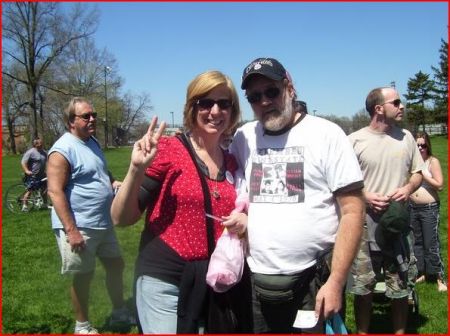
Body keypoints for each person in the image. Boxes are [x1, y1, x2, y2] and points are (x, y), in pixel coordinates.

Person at [230, 57, 365, 333]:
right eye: (254, 97)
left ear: (289, 87)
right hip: (258, 284)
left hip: (313, 283)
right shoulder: (243, 138)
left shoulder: (326, 134)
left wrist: (336, 282)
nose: (264, 101)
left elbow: (353, 210)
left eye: (271, 91)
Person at [110, 70, 251, 334]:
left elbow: (243, 209)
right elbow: (121, 218)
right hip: (164, 278)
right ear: (192, 107)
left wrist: (246, 221)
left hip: (213, 281)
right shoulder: (168, 150)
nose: (215, 110)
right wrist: (135, 169)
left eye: (224, 103)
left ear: (233, 111)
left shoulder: (232, 161)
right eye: (206, 103)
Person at [47, 97, 134, 334]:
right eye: (86, 116)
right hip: (79, 225)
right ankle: (82, 325)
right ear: (71, 122)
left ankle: (118, 313)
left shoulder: (91, 141)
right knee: (84, 276)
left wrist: (112, 182)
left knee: (116, 265)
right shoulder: (62, 150)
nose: (93, 118)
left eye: (93, 114)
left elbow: (99, 171)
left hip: (103, 222)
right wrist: (71, 231)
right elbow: (54, 191)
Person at [348, 87, 424, 334]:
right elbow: (341, 184)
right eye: (396, 102)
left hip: (397, 226)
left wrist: (408, 187)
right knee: (364, 287)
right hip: (362, 226)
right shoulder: (354, 141)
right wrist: (366, 196)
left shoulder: (407, 138)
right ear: (379, 109)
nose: (402, 106)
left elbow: (418, 173)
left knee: (400, 285)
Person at [410, 131, 446, 292]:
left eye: (423, 145)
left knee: (431, 243)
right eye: (417, 145)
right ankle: (423, 272)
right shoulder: (412, 162)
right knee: (417, 243)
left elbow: (440, 185)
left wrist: (424, 176)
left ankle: (440, 278)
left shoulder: (432, 162)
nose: (420, 148)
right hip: (412, 207)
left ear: (428, 145)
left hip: (429, 209)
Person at [21, 137, 47, 211]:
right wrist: (26, 170)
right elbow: (23, 162)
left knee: (44, 189)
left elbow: (47, 162)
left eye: (41, 142)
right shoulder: (30, 152)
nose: (41, 144)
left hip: (42, 175)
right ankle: (24, 206)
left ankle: (44, 204)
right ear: (35, 144)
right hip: (33, 175)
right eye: (39, 143)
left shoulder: (44, 152)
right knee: (30, 190)